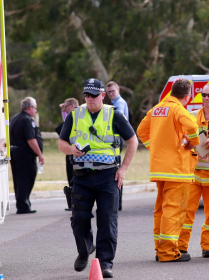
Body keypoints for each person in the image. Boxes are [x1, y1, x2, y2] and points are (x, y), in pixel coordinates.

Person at [58, 79, 138, 278]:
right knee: (79, 219)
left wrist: (124, 169)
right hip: (82, 177)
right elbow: (61, 142)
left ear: (103, 95)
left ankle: (105, 263)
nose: (90, 98)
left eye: (94, 95)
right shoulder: (76, 115)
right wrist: (71, 150)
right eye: (87, 95)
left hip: (108, 176)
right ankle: (85, 251)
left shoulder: (114, 114)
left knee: (107, 220)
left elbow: (133, 140)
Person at [137, 78, 199, 263]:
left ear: (171, 92)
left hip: (160, 168)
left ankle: (159, 248)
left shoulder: (156, 109)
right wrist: (192, 143)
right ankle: (168, 252)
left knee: (161, 210)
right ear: (187, 96)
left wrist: (154, 148)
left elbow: (141, 131)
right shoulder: (178, 109)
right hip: (177, 169)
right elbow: (193, 127)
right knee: (174, 210)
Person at [178, 83, 209, 258]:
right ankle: (181, 246)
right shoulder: (191, 116)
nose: (206, 98)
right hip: (193, 173)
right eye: (203, 95)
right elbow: (181, 141)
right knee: (186, 213)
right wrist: (189, 144)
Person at [9, 97, 44, 214]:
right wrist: (40, 155)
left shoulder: (14, 118)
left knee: (18, 180)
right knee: (26, 179)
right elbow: (31, 140)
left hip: (15, 152)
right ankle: (23, 205)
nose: (35, 111)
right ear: (30, 108)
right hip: (25, 154)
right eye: (35, 108)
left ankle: (23, 203)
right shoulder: (27, 120)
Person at [106, 81, 129, 211]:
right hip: (116, 139)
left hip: (116, 139)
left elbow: (116, 120)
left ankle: (117, 202)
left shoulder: (119, 104)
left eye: (112, 91)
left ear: (118, 90)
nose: (110, 94)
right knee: (115, 169)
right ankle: (116, 202)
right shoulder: (114, 103)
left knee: (115, 169)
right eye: (108, 92)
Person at [56, 98, 79, 211]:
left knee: (74, 177)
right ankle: (72, 202)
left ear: (72, 106)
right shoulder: (71, 116)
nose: (64, 108)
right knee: (70, 177)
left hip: (75, 151)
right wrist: (63, 111)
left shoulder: (77, 116)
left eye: (66, 106)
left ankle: (75, 203)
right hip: (70, 151)